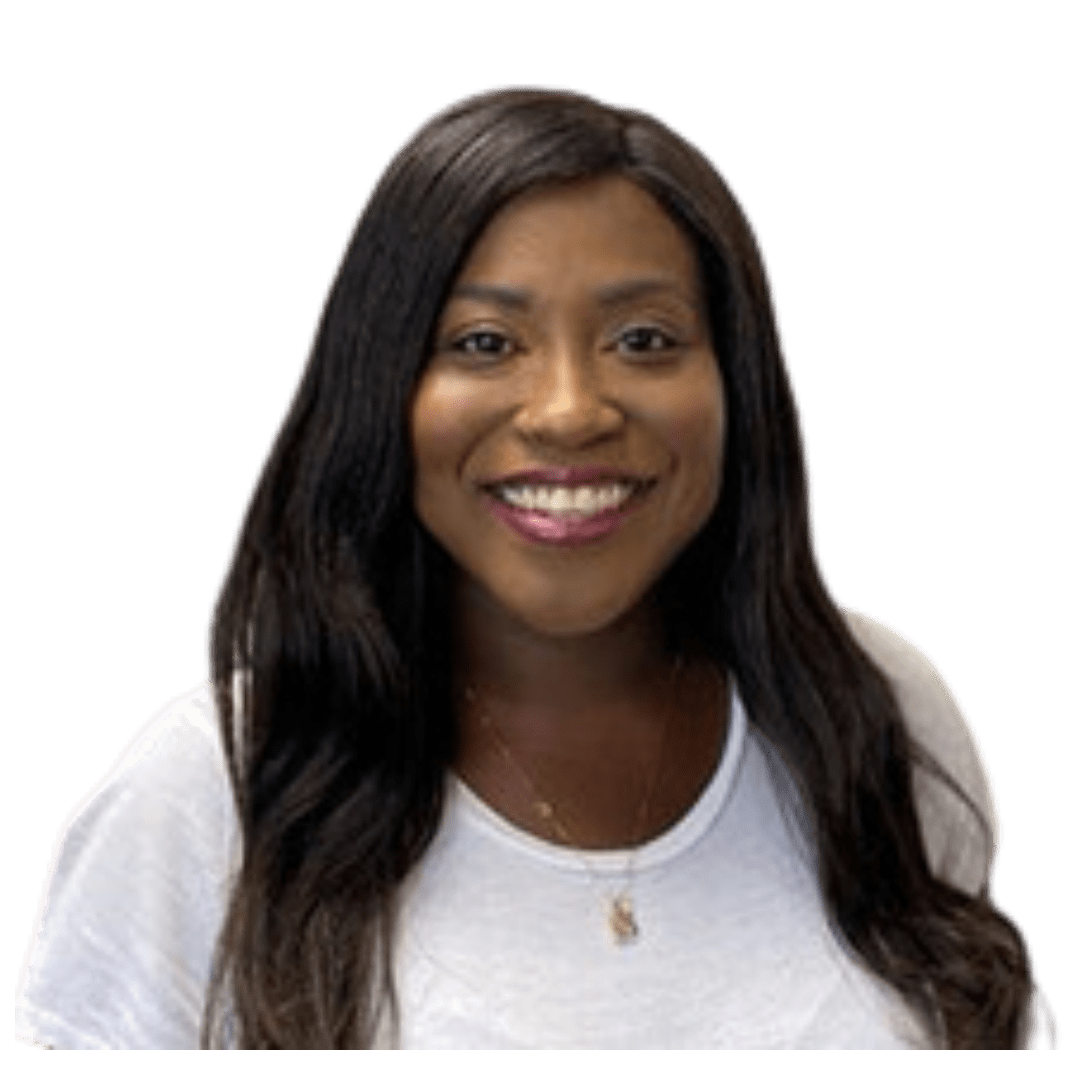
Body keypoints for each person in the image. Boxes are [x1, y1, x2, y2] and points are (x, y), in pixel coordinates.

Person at [15, 84, 1058, 1050]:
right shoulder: (213, 791)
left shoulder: (875, 712)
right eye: (482, 343)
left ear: (735, 386)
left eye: (645, 338)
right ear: (382, 390)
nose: (569, 410)